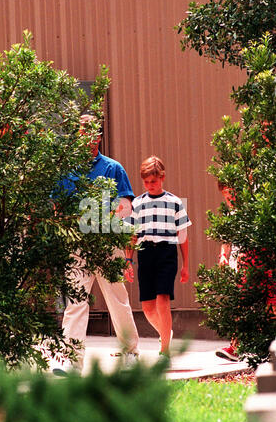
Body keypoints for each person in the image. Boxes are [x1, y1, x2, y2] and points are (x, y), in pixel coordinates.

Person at [53, 114, 139, 374]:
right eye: (82, 131)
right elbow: (58, 208)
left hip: (106, 244)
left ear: (99, 136)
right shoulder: (65, 170)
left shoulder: (114, 168)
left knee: (117, 299)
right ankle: (72, 362)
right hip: (76, 246)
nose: (87, 136)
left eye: (92, 131)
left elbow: (125, 207)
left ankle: (130, 353)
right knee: (75, 303)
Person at [123, 155, 191, 358]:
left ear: (162, 178)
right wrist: (128, 260)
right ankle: (165, 333)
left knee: (163, 299)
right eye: (146, 182)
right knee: (147, 307)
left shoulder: (174, 202)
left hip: (166, 252)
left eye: (154, 181)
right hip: (145, 254)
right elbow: (132, 235)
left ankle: (165, 351)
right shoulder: (137, 203)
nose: (150, 185)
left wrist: (186, 265)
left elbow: (183, 236)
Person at [214, 181, 240, 361]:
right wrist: (223, 255)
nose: (229, 198)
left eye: (231, 193)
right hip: (235, 263)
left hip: (250, 261)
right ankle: (235, 346)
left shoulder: (250, 210)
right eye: (225, 194)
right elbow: (226, 240)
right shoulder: (230, 214)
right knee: (237, 304)